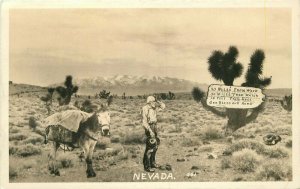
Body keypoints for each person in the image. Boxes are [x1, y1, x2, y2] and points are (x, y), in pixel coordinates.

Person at [142, 96, 166, 172]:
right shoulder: (145, 108)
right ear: (149, 102)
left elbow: (163, 107)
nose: (154, 103)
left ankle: (152, 163)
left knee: (155, 145)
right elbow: (144, 122)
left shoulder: (154, 108)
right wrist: (150, 131)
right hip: (149, 127)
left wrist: (159, 102)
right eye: (153, 101)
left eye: (155, 102)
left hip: (155, 126)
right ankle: (147, 166)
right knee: (150, 147)